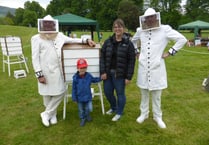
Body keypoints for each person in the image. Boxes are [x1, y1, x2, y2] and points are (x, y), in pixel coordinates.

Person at [31, 15, 96, 127]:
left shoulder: (59, 36)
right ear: (42, 24)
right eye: (46, 24)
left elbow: (73, 39)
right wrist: (39, 74)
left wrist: (86, 40)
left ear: (54, 25)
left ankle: (46, 114)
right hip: (44, 72)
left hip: (57, 71)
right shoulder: (36, 38)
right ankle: (52, 114)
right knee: (46, 95)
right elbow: (34, 58)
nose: (48, 27)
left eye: (50, 24)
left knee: (60, 92)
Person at [131, 8, 187, 128]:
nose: (150, 19)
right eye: (147, 17)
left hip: (157, 66)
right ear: (144, 19)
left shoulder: (165, 29)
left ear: (156, 17)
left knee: (157, 94)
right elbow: (133, 41)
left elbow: (182, 39)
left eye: (152, 17)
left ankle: (158, 117)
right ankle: (144, 114)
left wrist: (170, 52)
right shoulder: (140, 30)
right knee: (144, 92)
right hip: (143, 66)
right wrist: (136, 52)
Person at [100, 18, 136, 121]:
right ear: (113, 29)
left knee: (120, 94)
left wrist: (128, 77)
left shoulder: (129, 44)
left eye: (119, 27)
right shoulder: (108, 42)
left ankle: (119, 112)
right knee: (107, 92)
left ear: (123, 28)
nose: (117, 29)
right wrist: (103, 71)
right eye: (115, 27)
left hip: (120, 74)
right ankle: (113, 107)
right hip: (108, 73)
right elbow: (102, 56)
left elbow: (131, 61)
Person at [72, 58, 101, 126]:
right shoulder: (75, 78)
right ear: (78, 68)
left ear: (86, 68)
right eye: (81, 68)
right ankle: (83, 118)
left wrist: (101, 78)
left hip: (88, 97)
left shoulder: (88, 76)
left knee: (89, 108)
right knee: (81, 110)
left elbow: (94, 80)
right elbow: (74, 89)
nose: (83, 69)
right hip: (79, 98)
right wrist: (74, 98)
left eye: (84, 67)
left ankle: (87, 115)